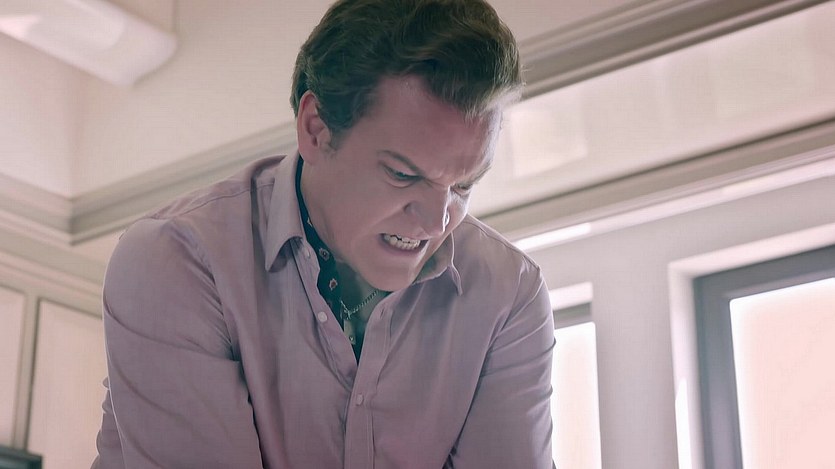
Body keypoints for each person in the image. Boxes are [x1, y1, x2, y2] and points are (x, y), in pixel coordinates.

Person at [92, 0, 555, 467]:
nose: (438, 222)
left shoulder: (509, 294)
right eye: (403, 174)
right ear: (315, 129)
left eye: (463, 186)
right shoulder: (179, 259)